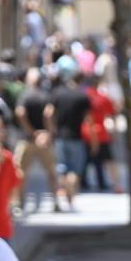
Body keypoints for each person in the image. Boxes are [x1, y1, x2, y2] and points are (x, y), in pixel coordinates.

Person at [15, 68, 58, 212]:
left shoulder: (24, 95)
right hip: (44, 140)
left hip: (28, 139)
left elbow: (20, 113)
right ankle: (56, 201)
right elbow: (49, 114)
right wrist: (48, 133)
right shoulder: (45, 96)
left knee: (20, 172)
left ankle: (20, 203)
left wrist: (31, 132)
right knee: (51, 171)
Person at [49, 72, 92, 211]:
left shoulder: (57, 94)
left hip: (60, 137)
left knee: (61, 169)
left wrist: (52, 130)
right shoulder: (83, 97)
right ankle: (70, 199)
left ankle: (62, 195)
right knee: (74, 171)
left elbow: (48, 113)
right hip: (76, 138)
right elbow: (89, 120)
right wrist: (94, 139)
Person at [82, 73, 123, 194]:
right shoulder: (103, 98)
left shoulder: (83, 96)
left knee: (84, 159)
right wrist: (114, 132)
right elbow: (114, 112)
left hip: (85, 133)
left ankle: (81, 182)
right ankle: (117, 185)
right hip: (101, 133)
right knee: (109, 160)